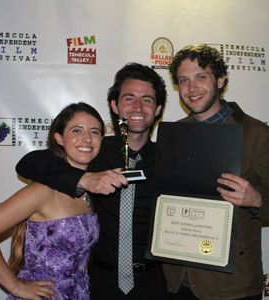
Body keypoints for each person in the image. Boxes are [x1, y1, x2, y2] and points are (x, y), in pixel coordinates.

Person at [15, 63, 169, 299]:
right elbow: (30, 162)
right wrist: (84, 179)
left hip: (153, 283)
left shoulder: (170, 160)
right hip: (99, 282)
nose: (138, 106)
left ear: (157, 109)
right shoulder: (93, 152)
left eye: (147, 99)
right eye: (129, 98)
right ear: (115, 106)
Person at [163, 44, 269, 300]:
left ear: (221, 79)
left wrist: (256, 199)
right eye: (184, 81)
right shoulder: (175, 133)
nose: (192, 89)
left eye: (201, 77)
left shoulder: (256, 134)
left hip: (232, 286)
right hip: (180, 281)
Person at [0, 102, 109, 299]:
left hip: (78, 292)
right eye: (77, 130)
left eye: (94, 132)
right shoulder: (43, 190)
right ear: (59, 138)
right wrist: (16, 287)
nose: (87, 138)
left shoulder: (90, 192)